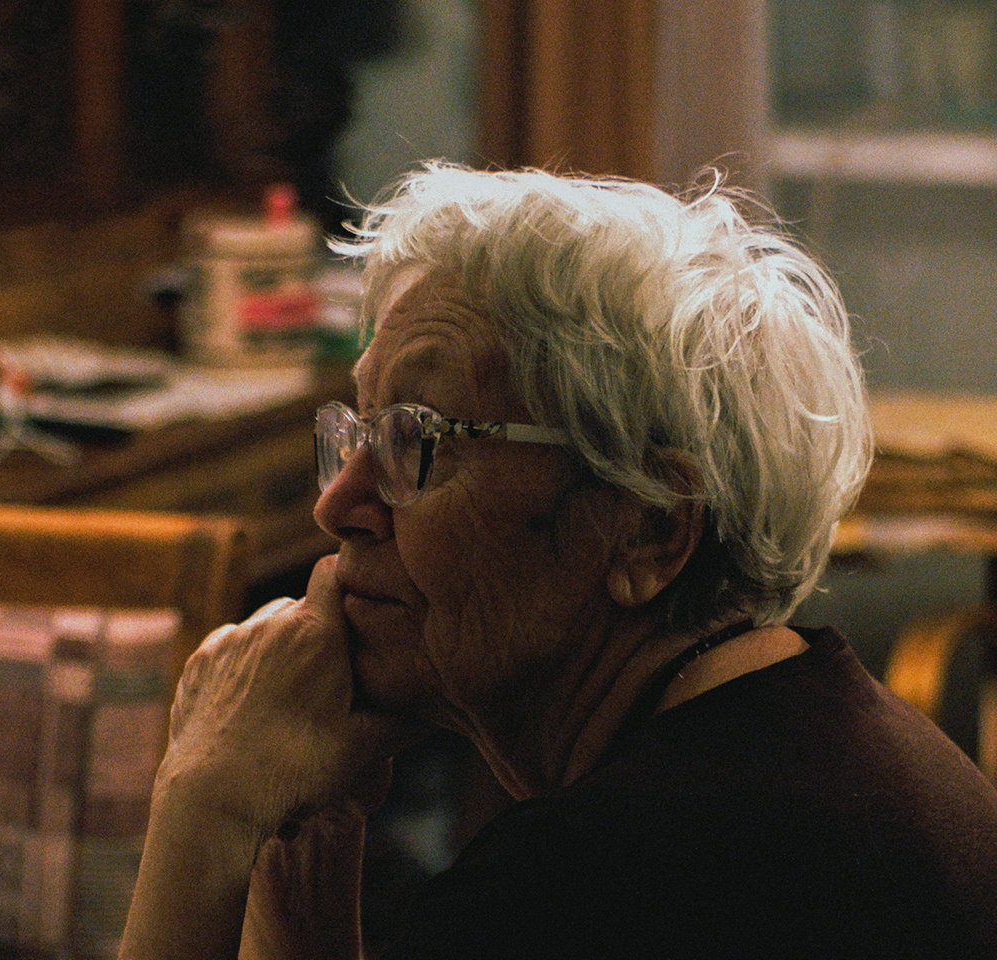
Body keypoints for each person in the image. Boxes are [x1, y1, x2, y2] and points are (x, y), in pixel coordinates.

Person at [118, 165, 997, 960]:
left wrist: (203, 808)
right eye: (358, 433)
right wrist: (298, 842)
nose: (339, 505)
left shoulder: (595, 885)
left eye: (417, 441)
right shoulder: (823, 749)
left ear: (649, 528)